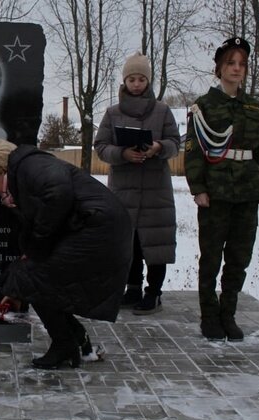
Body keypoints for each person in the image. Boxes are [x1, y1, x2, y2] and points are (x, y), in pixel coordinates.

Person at [0, 138, 132, 369]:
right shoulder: (24, 171)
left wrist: (37, 249)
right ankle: (73, 339)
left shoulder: (30, 166)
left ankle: (65, 345)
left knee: (31, 278)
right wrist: (31, 250)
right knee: (31, 276)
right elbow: (42, 214)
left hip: (98, 230)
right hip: (93, 228)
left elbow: (58, 194)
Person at [184, 37, 259, 342]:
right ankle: (209, 316)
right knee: (211, 257)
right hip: (216, 191)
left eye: (242, 65)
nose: (237, 69)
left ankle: (228, 314)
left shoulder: (253, 106)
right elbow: (194, 151)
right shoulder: (203, 106)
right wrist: (198, 188)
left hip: (247, 190)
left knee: (239, 257)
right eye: (231, 64)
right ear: (219, 68)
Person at [95, 52, 180, 315]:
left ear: (148, 81)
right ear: (124, 81)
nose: (136, 84)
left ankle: (153, 293)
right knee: (128, 243)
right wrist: (123, 154)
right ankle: (131, 288)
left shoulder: (163, 111)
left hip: (156, 191)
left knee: (155, 244)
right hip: (124, 189)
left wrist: (157, 147)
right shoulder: (112, 113)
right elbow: (100, 146)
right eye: (131, 78)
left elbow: (175, 143)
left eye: (141, 78)